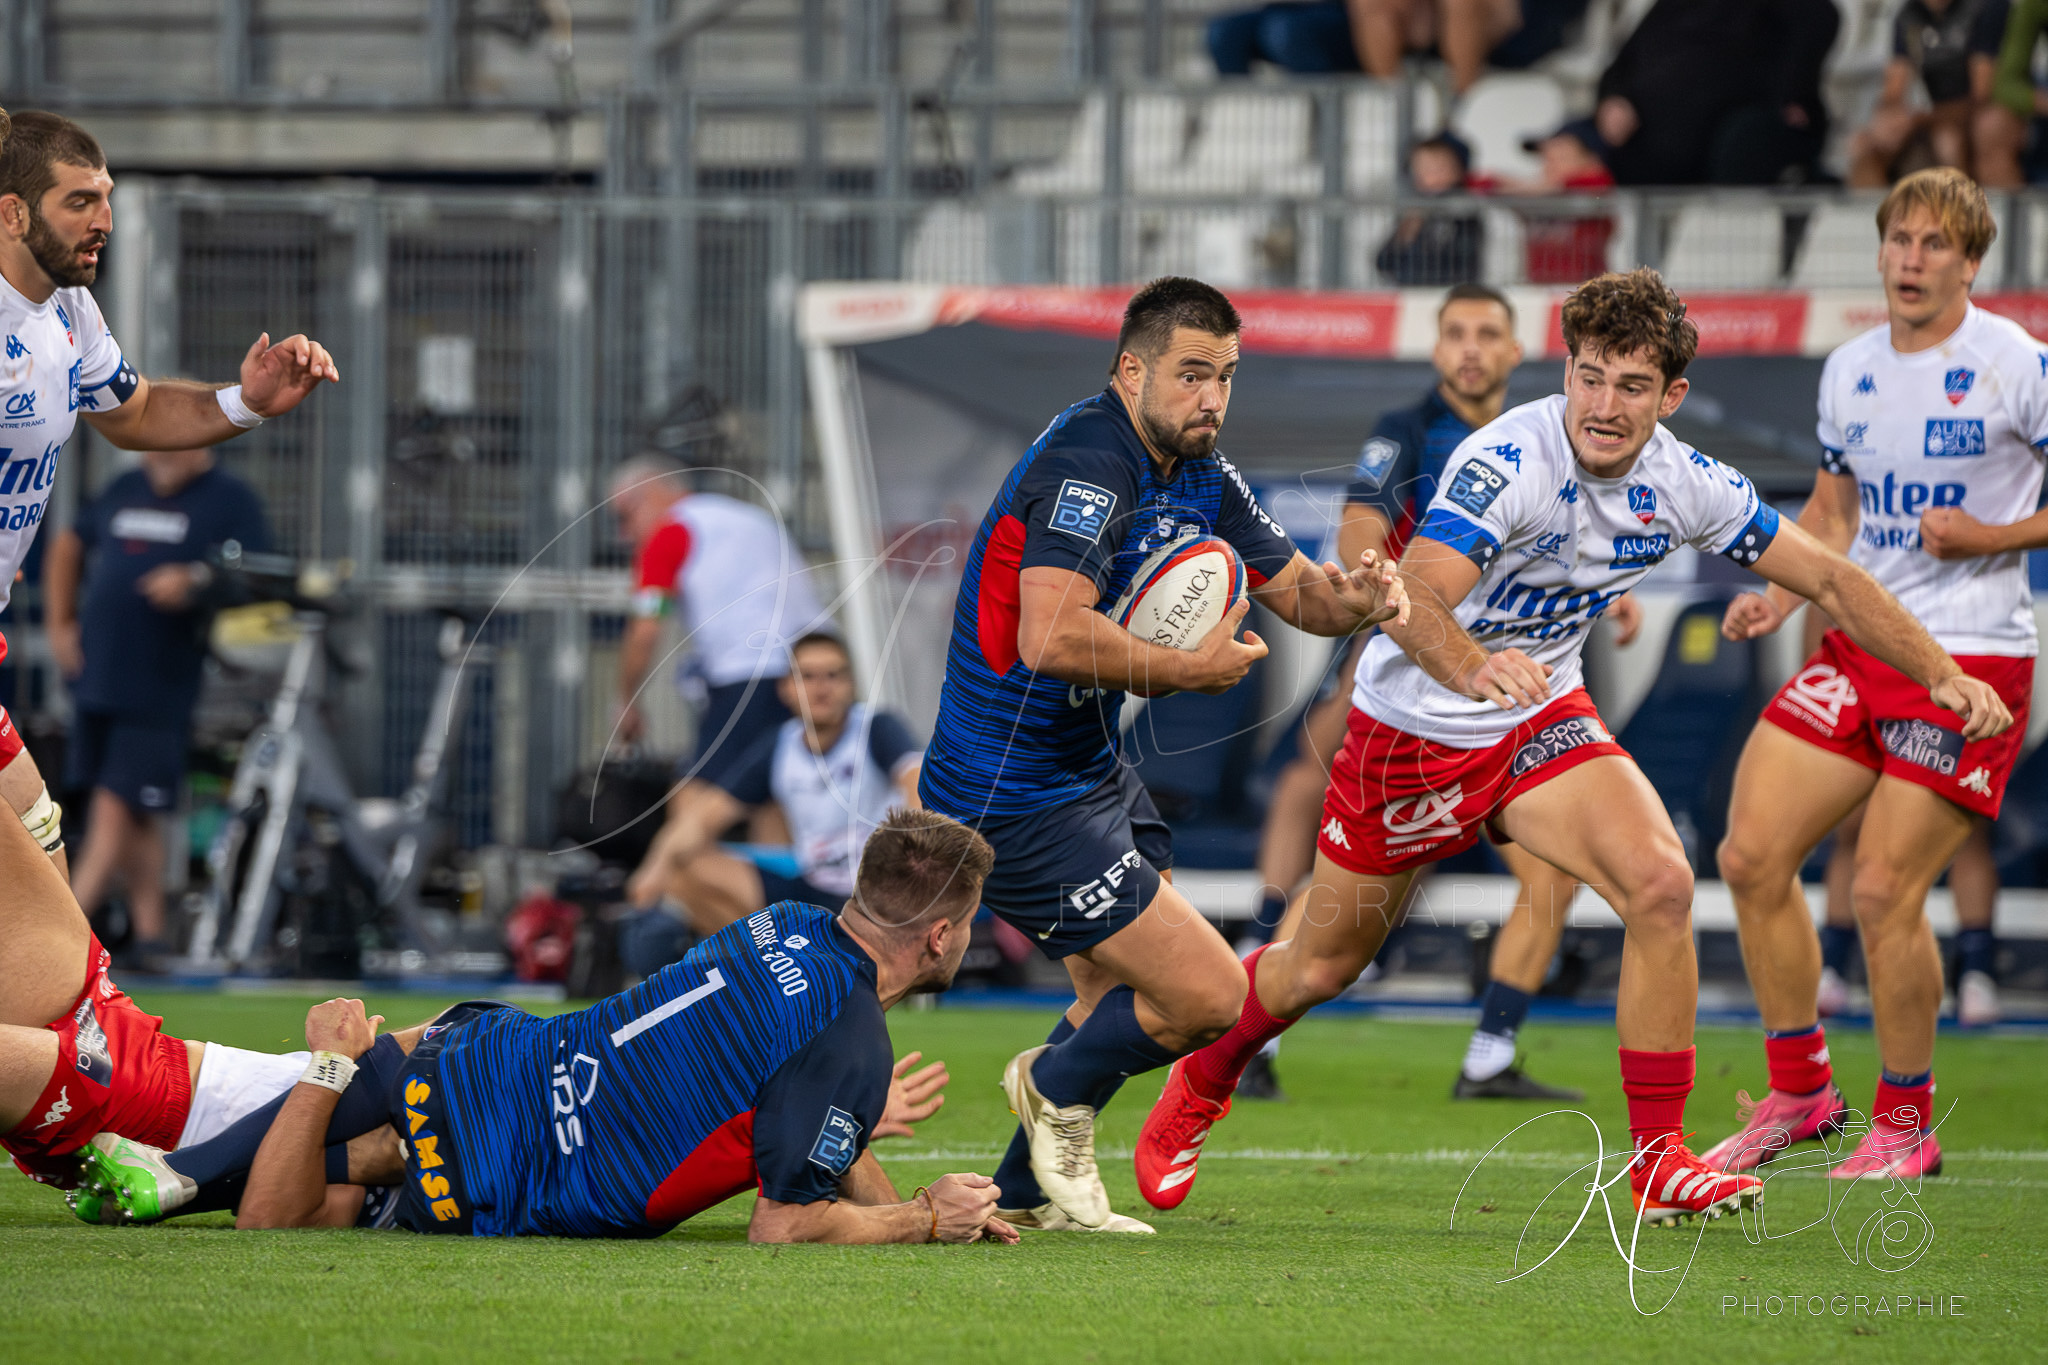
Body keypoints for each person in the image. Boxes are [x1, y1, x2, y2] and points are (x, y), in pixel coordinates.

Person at [1137, 267, 2012, 1225]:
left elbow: (1836, 581)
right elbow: (1414, 597)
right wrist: (1472, 668)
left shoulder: (1689, 481)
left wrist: (1941, 671)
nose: (1602, 405)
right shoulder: (1505, 460)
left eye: (1631, 386)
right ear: (1565, 369)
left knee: (1662, 881)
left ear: (1670, 397)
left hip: (1539, 720)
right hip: (1414, 732)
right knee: (1320, 965)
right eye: (1589, 376)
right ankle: (1203, 1081)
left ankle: (1659, 1160)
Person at [916, 276, 1404, 1234]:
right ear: (1131, 369)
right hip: (1007, 791)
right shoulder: (1091, 462)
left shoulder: (1199, 470)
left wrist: (1364, 600)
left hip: (1085, 772)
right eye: (1190, 374)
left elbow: (1302, 593)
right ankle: (1048, 1084)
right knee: (1210, 995)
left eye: (1225, 375)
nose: (1211, 397)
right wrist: (1183, 671)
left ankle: (1023, 1192)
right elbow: (1047, 637)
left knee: (1111, 993)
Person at [88, 810, 1019, 1245]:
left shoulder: (787, 923)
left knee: (384, 1103)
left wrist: (853, 1125)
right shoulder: (851, 1038)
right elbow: (782, 1225)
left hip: (501, 1050)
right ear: (941, 934)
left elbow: (795, 1094)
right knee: (307, 1179)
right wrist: (922, 1217)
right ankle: (278, 1106)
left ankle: (180, 1172)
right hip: (522, 1168)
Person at [1706, 170, 2040, 1181]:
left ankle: (1904, 1126)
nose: (1908, 258)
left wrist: (1991, 535)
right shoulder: (1846, 367)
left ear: (1970, 261)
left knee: (1887, 889)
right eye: (1897, 239)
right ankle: (1800, 1094)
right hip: (1860, 641)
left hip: (1973, 653)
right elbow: (1831, 517)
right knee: (1748, 857)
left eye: (1933, 244)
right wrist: (1783, 595)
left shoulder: (2014, 364)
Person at [1242, 284, 1634, 1102]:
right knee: (1313, 797)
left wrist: (1613, 586)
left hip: (1507, 690)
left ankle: (1490, 1052)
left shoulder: (1554, 433)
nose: (1469, 348)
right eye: (1455, 332)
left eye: (1486, 333)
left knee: (1552, 873)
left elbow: (1590, 532)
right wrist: (1380, 591)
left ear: (1516, 349)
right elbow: (1358, 522)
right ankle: (1253, 993)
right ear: (1436, 348)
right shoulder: (1410, 428)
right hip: (1411, 659)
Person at [0, 110, 336, 880]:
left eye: (106, 197)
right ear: (13, 213)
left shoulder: (69, 311)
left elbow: (137, 412)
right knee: (42, 885)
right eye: (79, 201)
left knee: (40, 868)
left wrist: (245, 401)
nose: (105, 221)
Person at [42, 445, 269, 966]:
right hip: (98, 674)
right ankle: (150, 937)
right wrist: (60, 625)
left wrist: (195, 580)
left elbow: (256, 573)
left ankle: (62, 933)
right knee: (132, 805)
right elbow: (68, 546)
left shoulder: (229, 498)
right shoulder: (125, 487)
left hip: (158, 682)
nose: (161, 457)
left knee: (113, 804)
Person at [625, 631, 923, 944]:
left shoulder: (877, 728)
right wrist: (653, 869)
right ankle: (780, 962)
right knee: (682, 870)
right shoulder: (780, 745)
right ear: (787, 689)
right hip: (812, 887)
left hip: (875, 893)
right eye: (807, 676)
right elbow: (703, 818)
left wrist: (906, 864)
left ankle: (809, 960)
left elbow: (917, 786)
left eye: (833, 675)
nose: (821, 688)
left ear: (851, 685)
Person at [609, 452, 825, 866]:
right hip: (810, 670)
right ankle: (776, 914)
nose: (623, 534)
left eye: (623, 516)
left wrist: (625, 701)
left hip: (750, 673)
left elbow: (646, 628)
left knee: (693, 797)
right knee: (770, 795)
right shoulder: (748, 519)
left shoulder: (672, 530)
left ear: (651, 495)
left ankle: (675, 907)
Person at [1594, 0, 1839, 186]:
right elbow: (1621, 64)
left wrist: (1793, 95)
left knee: (1744, 142)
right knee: (1568, 143)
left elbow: (1821, 20)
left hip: (1717, 136)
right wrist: (1614, 99)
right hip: (1635, 134)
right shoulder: (1671, 6)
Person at [1210, 0, 1584, 93]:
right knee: (1223, 35)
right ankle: (1392, 106)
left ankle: (1463, 104)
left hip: (1510, 23)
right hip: (1407, 25)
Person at [1847, 0, 2011, 188]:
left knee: (1947, 142)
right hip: (1931, 118)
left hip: (1973, 116)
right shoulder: (1909, 14)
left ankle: (1961, 213)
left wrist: (1917, 119)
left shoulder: (1985, 8)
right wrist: (1885, 120)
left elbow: (1982, 95)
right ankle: (1874, 214)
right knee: (1865, 148)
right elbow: (1893, 88)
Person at [1375, 134, 1482, 288]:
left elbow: (1459, 261)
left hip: (1449, 291)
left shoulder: (1464, 211)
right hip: (1412, 292)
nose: (1429, 175)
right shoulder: (1414, 209)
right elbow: (1384, 262)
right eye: (1422, 168)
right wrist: (1407, 232)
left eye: (1438, 168)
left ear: (1458, 170)